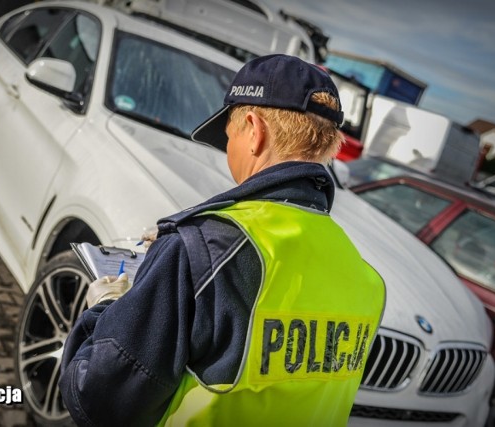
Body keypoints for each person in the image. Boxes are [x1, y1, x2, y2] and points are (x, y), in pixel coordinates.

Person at [59, 54, 386, 426]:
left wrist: (105, 311)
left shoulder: (204, 245)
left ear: (253, 129)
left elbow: (101, 402)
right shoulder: (365, 278)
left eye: (228, 136)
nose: (227, 152)